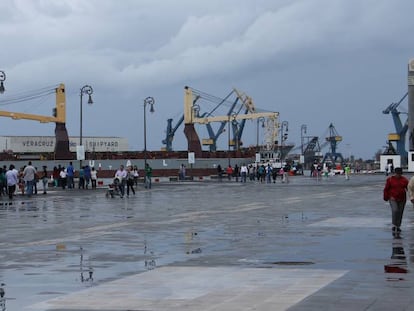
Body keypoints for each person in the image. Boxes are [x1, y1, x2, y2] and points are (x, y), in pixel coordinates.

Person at [383, 167, 409, 235]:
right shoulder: (390, 180)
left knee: (400, 212)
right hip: (392, 198)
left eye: (400, 174)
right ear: (395, 173)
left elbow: (408, 188)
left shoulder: (404, 180)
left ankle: (398, 225)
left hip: (402, 199)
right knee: (395, 210)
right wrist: (386, 197)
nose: (398, 175)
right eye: (397, 174)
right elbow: (386, 189)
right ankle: (394, 225)